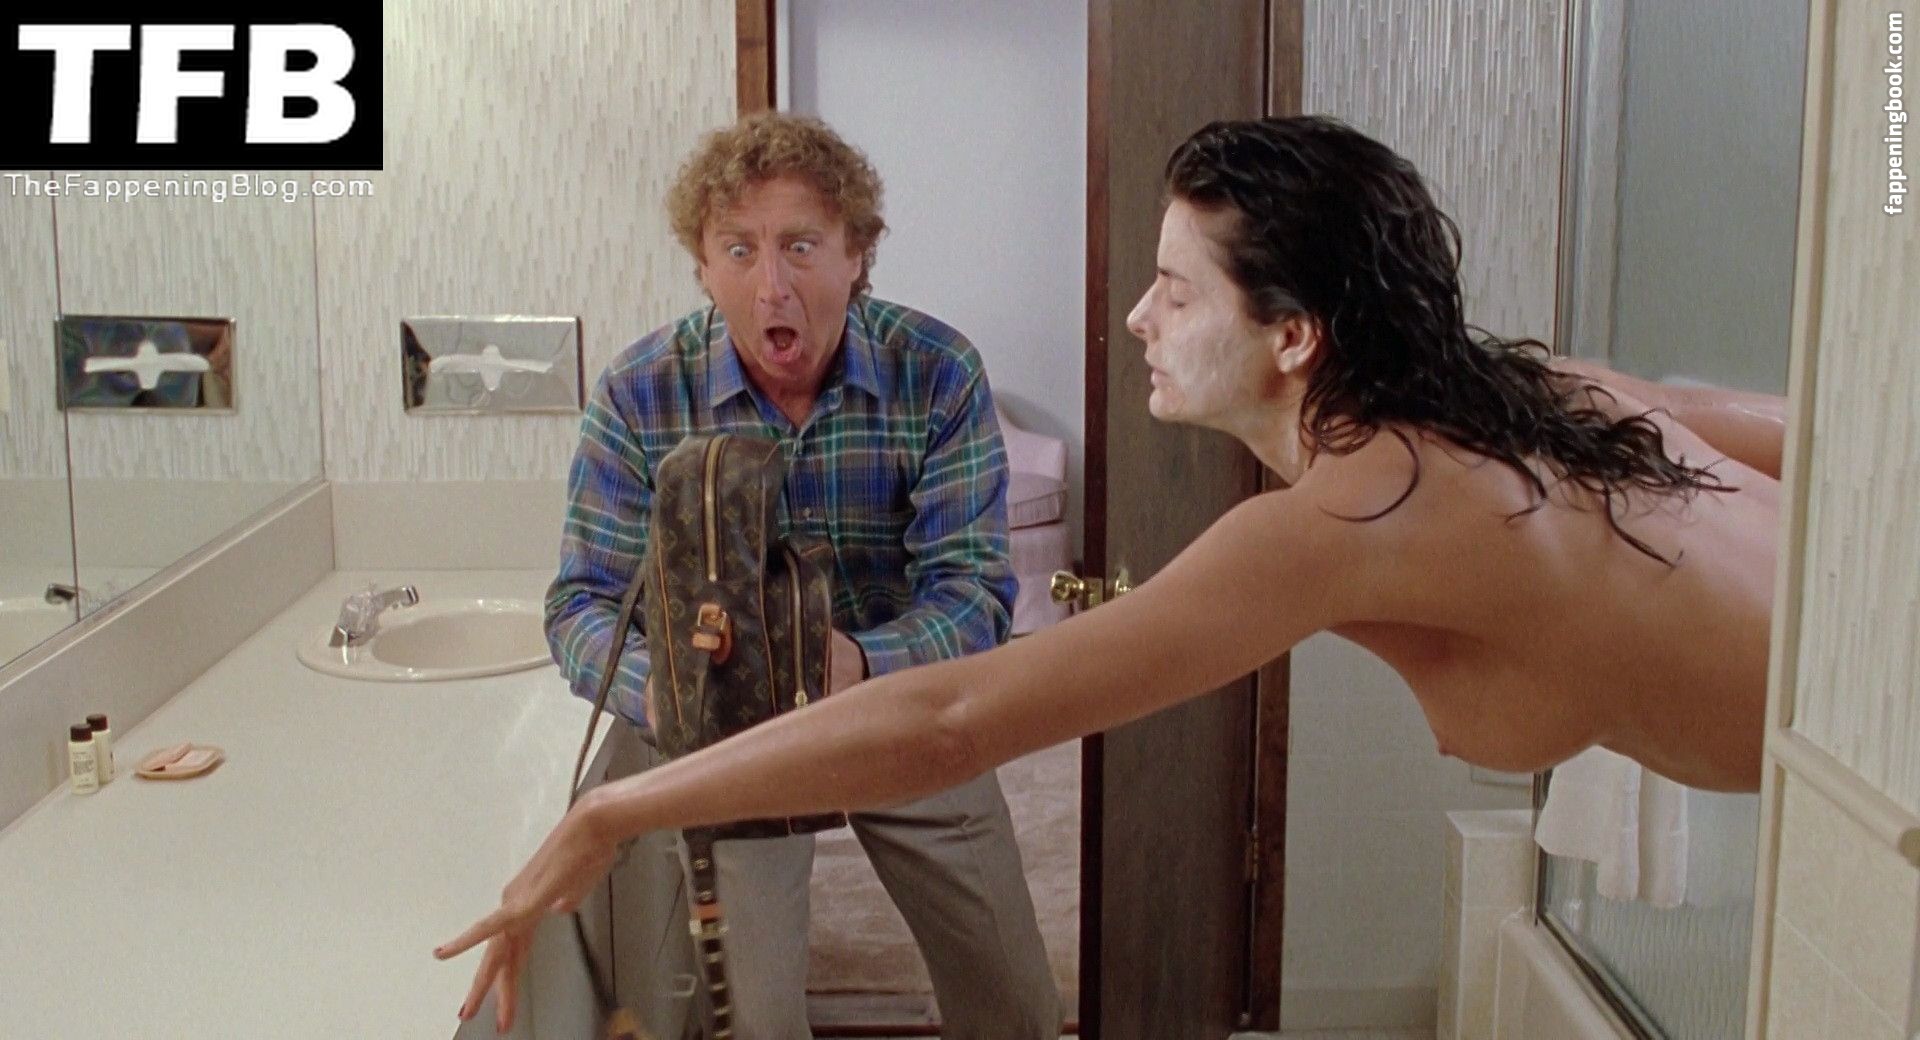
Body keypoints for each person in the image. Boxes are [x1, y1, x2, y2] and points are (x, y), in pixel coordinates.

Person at [438, 115, 1785, 1015]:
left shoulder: (1347, 517)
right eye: (738, 250)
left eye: (1177, 290)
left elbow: (953, 714)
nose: (1137, 315)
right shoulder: (1526, 392)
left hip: (1862, 775)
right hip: (1841, 718)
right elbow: (1817, 443)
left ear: (1294, 334)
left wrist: (608, 814)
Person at [500, 113, 1061, 1039]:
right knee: (756, 1020)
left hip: (900, 711)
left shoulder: (938, 372)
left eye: (801, 245)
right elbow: (580, 604)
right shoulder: (641, 392)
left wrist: (861, 666)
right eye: (739, 249)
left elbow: (976, 592)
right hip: (732, 744)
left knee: (1015, 1004)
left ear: (856, 254)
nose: (772, 284)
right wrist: (672, 690)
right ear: (702, 264)